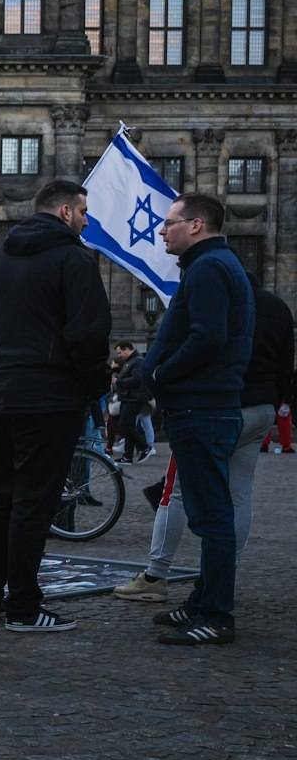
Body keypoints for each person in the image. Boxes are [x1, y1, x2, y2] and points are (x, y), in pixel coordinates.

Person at [0, 177, 111, 633]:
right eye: (84, 212)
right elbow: (89, 334)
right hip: (46, 398)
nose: (87, 221)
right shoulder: (74, 260)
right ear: (65, 213)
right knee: (33, 502)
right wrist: (91, 388)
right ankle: (25, 608)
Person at [117, 268, 293, 606]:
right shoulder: (278, 307)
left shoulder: (215, 299)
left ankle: (155, 575)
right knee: (239, 494)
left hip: (214, 407)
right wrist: (272, 400)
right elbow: (286, 368)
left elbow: (196, 350)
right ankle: (224, 571)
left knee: (178, 491)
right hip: (259, 410)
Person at [142, 193, 254, 647]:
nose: (162, 230)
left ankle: (216, 615)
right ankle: (202, 599)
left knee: (212, 517)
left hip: (201, 406)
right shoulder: (213, 264)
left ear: (196, 225)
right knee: (211, 512)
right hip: (204, 404)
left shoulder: (208, 268)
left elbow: (208, 337)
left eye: (169, 223)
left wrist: (163, 374)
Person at [113, 342, 152, 463]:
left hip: (135, 398)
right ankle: (127, 456)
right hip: (128, 397)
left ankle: (144, 447)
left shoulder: (138, 360)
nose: (119, 355)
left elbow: (136, 379)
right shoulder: (131, 361)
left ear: (126, 350)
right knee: (127, 425)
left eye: (120, 352)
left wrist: (118, 381)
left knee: (126, 425)